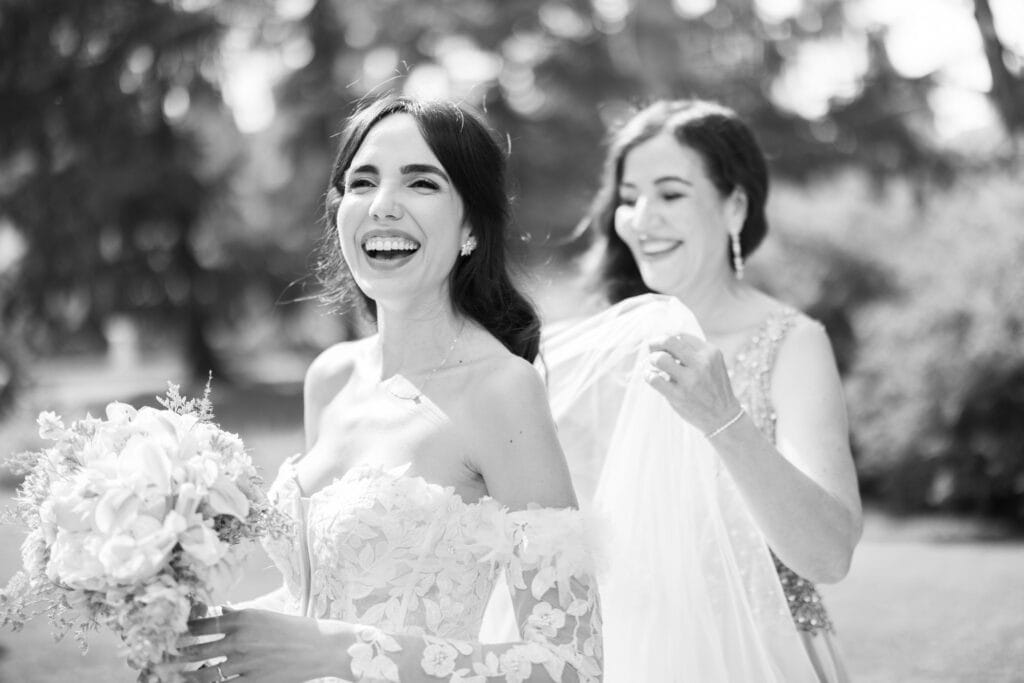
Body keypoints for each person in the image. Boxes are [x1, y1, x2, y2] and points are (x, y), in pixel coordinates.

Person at [178, 96, 602, 683]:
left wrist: (337, 651)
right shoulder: (331, 377)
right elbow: (323, 597)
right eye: (363, 182)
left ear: (472, 227)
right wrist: (212, 640)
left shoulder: (501, 390)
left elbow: (571, 666)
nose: (382, 206)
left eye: (421, 182)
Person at [557, 98, 861, 681]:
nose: (642, 218)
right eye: (628, 198)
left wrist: (724, 419)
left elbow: (829, 555)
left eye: (671, 194)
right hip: (629, 654)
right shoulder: (598, 352)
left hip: (760, 657)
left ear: (735, 206)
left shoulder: (792, 344)